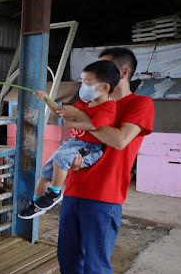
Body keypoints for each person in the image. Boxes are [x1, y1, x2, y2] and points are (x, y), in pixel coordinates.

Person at [39, 47, 155, 274]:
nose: (87, 80)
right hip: (75, 190)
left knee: (95, 267)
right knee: (68, 256)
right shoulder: (88, 104)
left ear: (121, 74)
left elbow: (119, 140)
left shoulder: (139, 104)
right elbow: (74, 135)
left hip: (104, 197)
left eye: (97, 71)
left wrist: (86, 121)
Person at [18, 60, 120, 219]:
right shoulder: (85, 102)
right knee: (46, 170)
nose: (83, 86)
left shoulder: (108, 107)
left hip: (91, 147)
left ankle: (55, 193)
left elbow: (93, 126)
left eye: (87, 82)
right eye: (82, 82)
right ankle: (36, 203)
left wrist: (71, 122)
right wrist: (46, 99)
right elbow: (60, 112)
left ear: (105, 87)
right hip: (74, 143)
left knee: (61, 157)